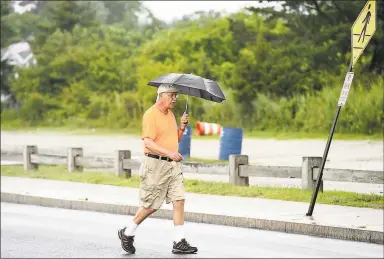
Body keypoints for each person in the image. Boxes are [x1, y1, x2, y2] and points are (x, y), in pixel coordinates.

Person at [118, 83, 198, 254]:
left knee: (179, 199)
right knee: (151, 205)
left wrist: (182, 127)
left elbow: (173, 139)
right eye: (172, 95)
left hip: (172, 165)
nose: (175, 99)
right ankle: (127, 232)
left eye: (176, 96)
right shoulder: (150, 115)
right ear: (161, 95)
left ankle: (179, 241)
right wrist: (169, 153)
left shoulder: (171, 115)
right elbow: (148, 142)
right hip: (155, 165)